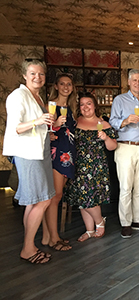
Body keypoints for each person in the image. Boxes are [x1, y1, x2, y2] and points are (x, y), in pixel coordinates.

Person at [3, 59, 55, 264]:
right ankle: (27, 248)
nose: (37, 77)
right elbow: (16, 127)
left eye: (41, 74)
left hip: (39, 152)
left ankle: (30, 245)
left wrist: (50, 125)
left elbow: (38, 126)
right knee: (43, 200)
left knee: (33, 201)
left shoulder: (38, 97)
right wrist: (39, 121)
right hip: (27, 154)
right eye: (33, 73)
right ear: (25, 75)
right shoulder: (18, 95)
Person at [65, 93, 117, 241]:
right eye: (82, 104)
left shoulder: (103, 124)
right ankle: (89, 229)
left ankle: (99, 221)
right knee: (82, 199)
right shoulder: (74, 122)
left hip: (96, 166)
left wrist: (106, 137)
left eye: (89, 103)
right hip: (77, 165)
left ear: (94, 105)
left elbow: (113, 146)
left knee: (90, 198)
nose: (85, 107)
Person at [110, 69, 139, 238]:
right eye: (134, 80)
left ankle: (137, 219)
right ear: (129, 82)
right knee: (126, 187)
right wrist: (126, 121)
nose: (138, 83)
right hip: (125, 147)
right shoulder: (119, 100)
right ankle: (125, 222)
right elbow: (112, 122)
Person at [41, 73, 77, 251]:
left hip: (68, 154)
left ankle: (48, 237)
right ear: (56, 86)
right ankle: (54, 238)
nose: (65, 87)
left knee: (56, 196)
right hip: (56, 153)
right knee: (55, 196)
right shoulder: (50, 105)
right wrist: (54, 125)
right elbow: (41, 129)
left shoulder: (71, 106)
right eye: (62, 84)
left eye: (68, 84)